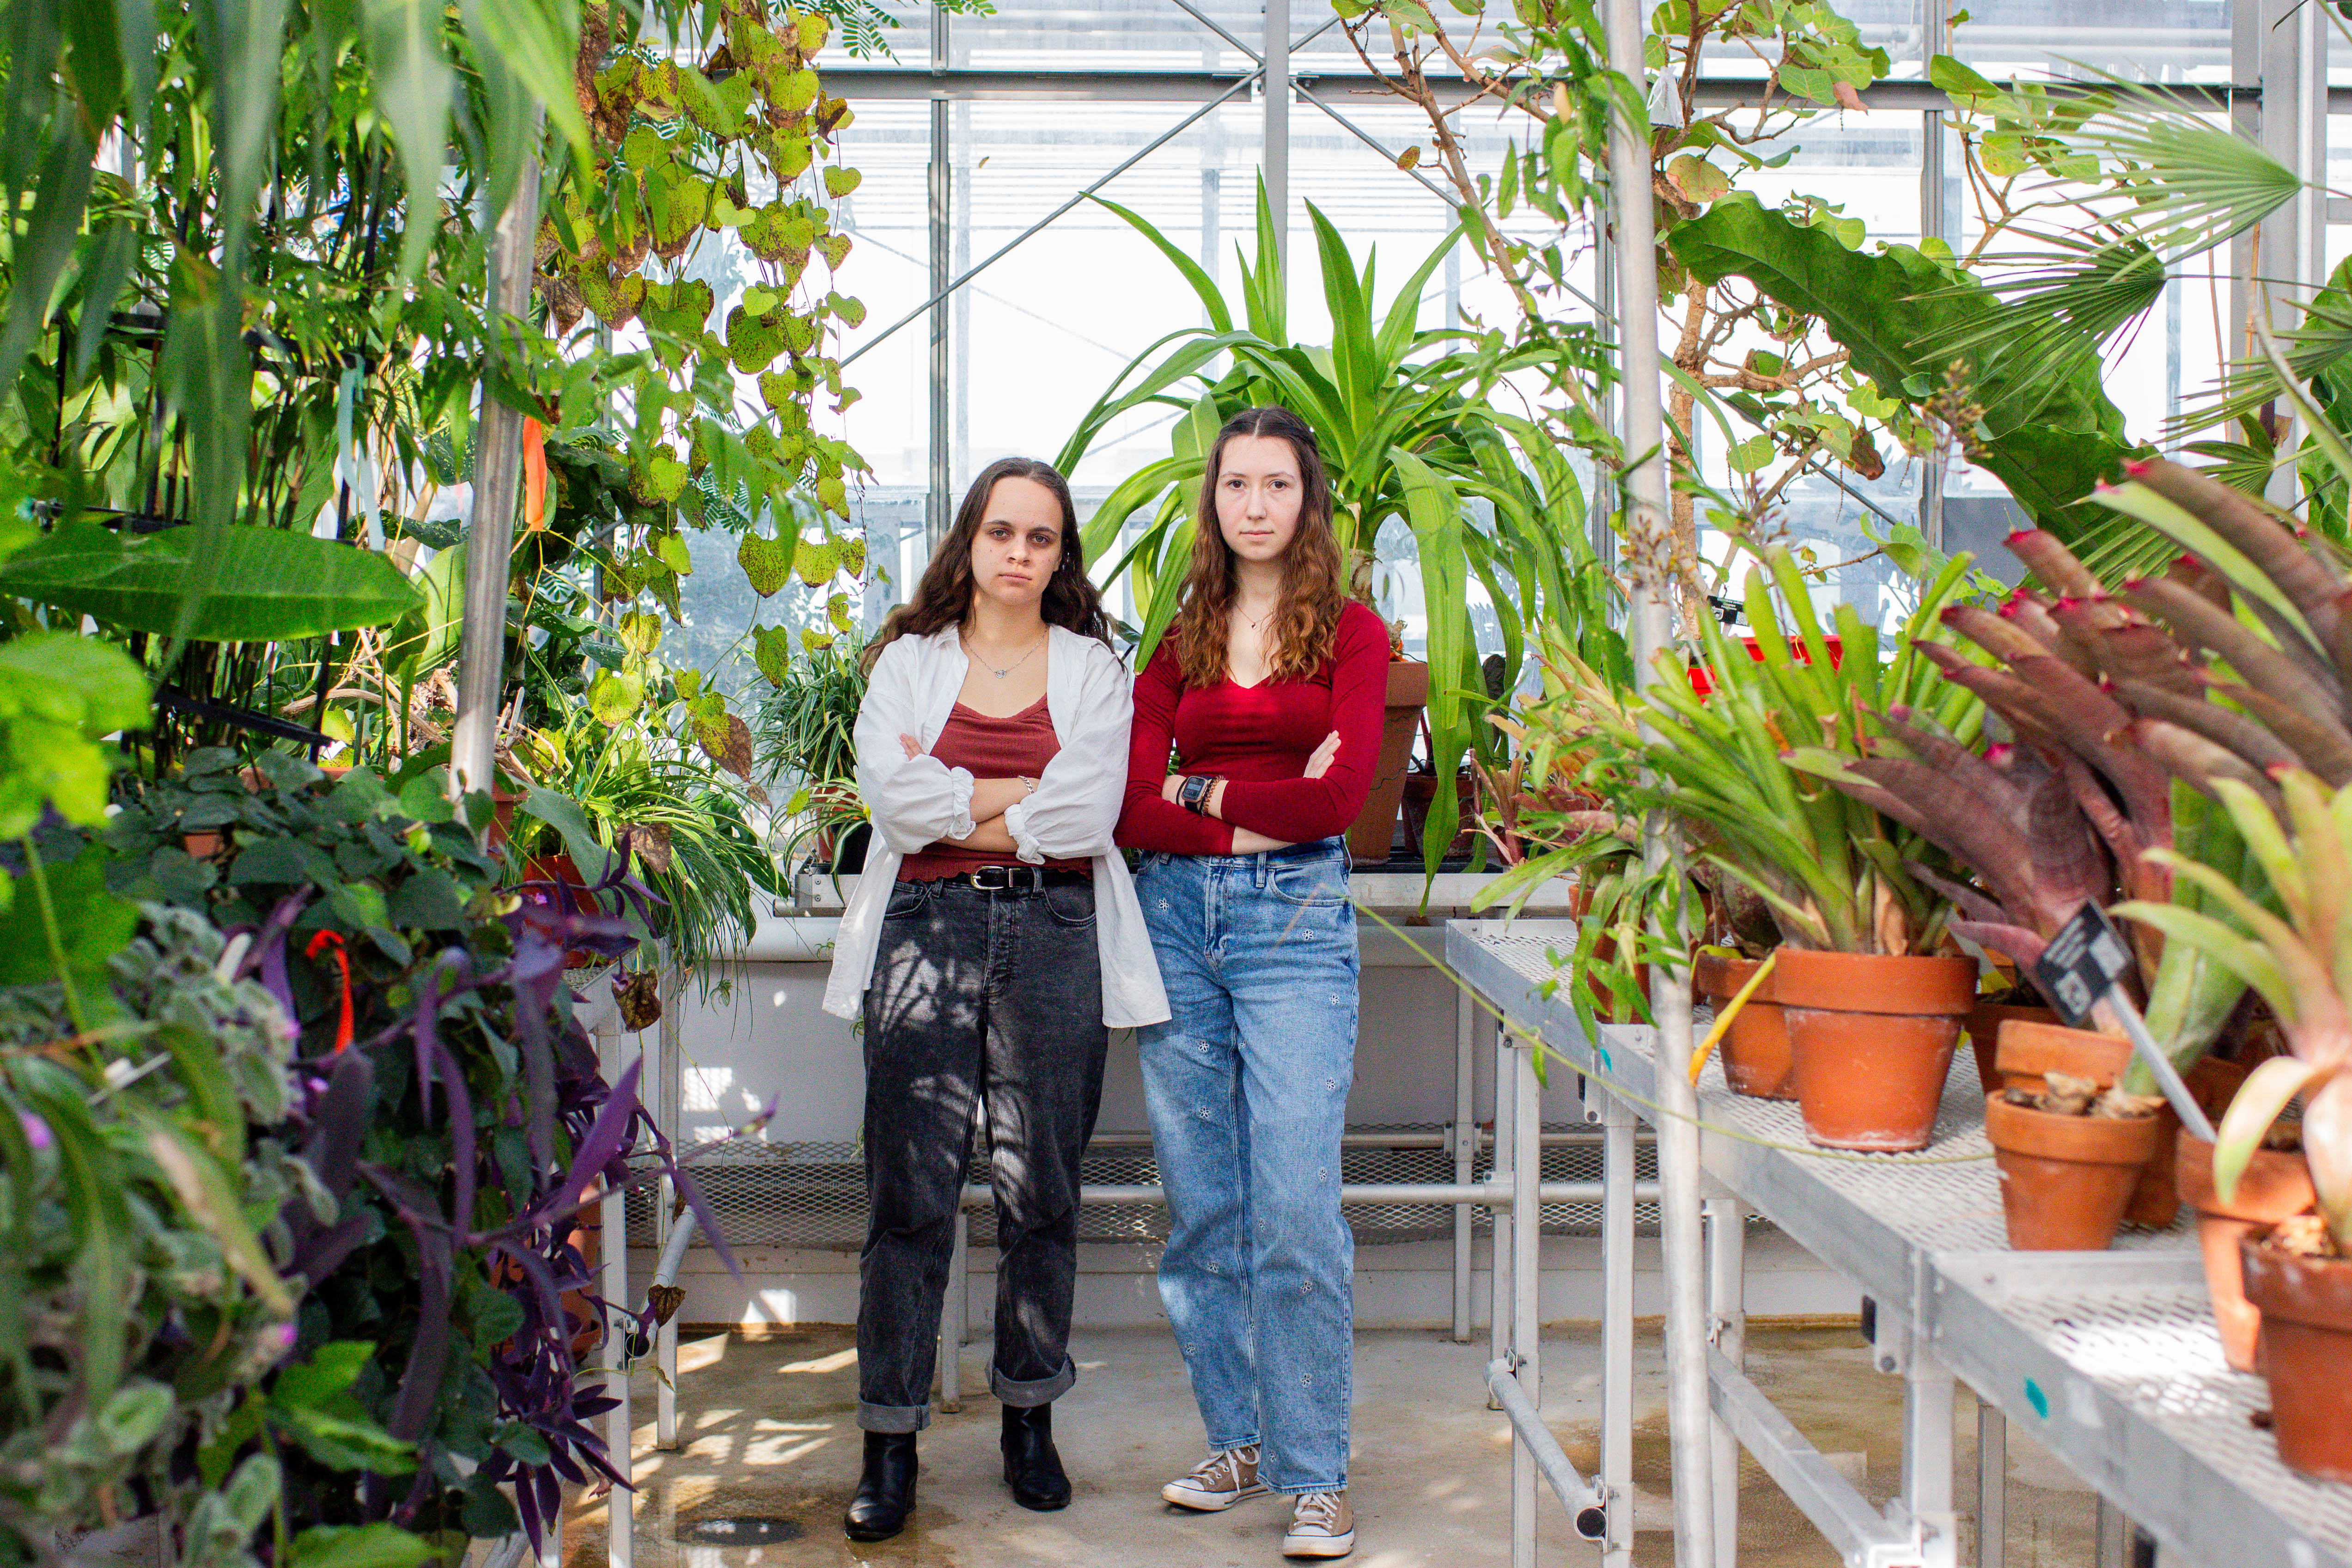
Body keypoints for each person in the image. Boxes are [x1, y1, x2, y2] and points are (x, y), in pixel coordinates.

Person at [822, 456, 1168, 1543]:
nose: (1021, 553)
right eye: (1003, 531)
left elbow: (1088, 812)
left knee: (1042, 1191)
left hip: (1055, 932)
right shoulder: (909, 663)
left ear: (1062, 557)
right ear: (969, 539)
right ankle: (889, 1439)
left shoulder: (1091, 668)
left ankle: (1029, 1421)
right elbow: (894, 799)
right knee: (908, 1197)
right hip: (924, 930)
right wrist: (1019, 795)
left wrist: (965, 802)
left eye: (1043, 538)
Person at [1116, 406, 1390, 1561]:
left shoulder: (1355, 637)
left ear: (1306, 501)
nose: (1257, 503)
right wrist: (1244, 813)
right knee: (1203, 1206)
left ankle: (1316, 1471)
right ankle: (1236, 1436)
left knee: (1290, 1203)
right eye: (1238, 483)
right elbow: (1128, 805)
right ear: (1214, 501)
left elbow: (1341, 806)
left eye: (1278, 483)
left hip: (1295, 927)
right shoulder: (1174, 643)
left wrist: (1209, 795)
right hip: (1175, 924)